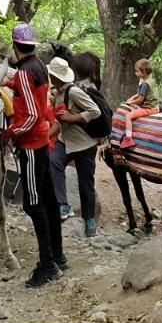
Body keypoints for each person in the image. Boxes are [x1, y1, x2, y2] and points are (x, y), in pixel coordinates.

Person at [2, 23, 65, 289]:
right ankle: (58, 256)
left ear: (16, 46)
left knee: (33, 203)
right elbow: (34, 98)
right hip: (41, 141)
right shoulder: (38, 66)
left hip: (30, 144)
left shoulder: (25, 73)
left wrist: (11, 134)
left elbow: (30, 115)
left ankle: (47, 263)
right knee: (49, 200)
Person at [47, 57, 101, 236]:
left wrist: (73, 117)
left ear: (56, 76)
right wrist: (46, 137)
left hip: (84, 144)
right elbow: (58, 120)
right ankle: (62, 205)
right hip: (65, 140)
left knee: (86, 183)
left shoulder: (75, 92)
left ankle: (89, 219)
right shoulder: (58, 93)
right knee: (54, 163)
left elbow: (95, 111)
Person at [117, 58, 161, 149]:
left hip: (149, 109)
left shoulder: (144, 84)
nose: (135, 73)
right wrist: (132, 98)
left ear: (143, 72)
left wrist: (130, 102)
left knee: (128, 116)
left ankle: (128, 139)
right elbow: (140, 93)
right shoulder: (150, 80)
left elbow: (140, 99)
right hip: (155, 106)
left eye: (137, 71)